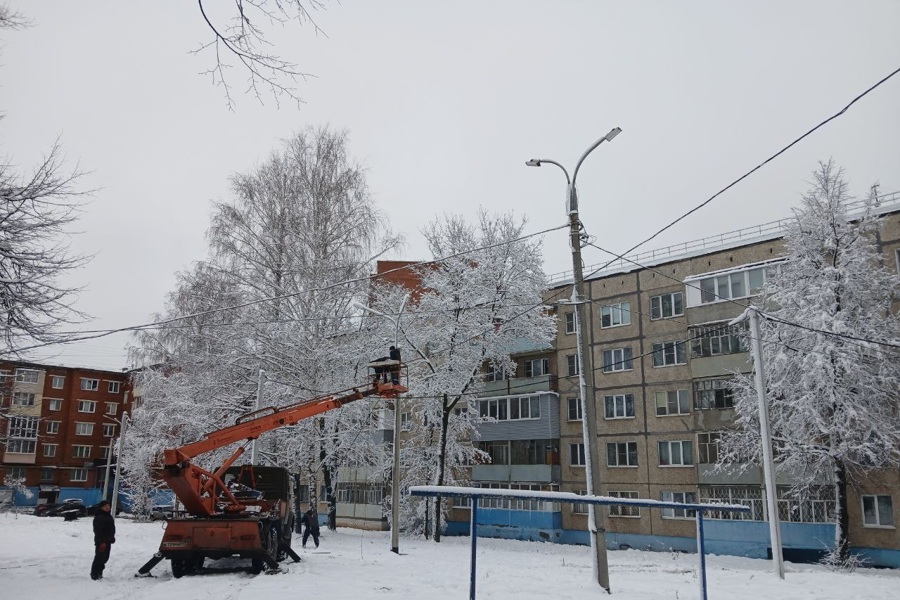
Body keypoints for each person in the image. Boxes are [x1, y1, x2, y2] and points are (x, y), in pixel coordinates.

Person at [90, 500, 116, 580]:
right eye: (105, 506)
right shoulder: (99, 517)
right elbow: (98, 530)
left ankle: (99, 573)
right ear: (101, 508)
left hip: (108, 540)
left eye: (108, 506)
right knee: (99, 557)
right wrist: (102, 541)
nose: (107, 507)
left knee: (105, 558)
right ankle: (95, 574)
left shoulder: (108, 516)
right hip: (102, 541)